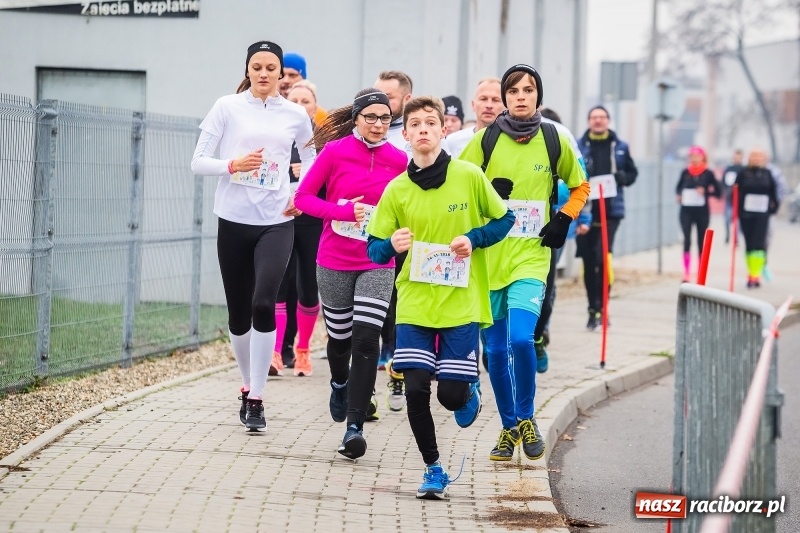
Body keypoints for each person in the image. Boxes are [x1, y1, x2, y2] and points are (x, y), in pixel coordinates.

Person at [366, 96, 515, 499]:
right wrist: (390, 245)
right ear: (407, 134)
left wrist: (474, 238)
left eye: (431, 122)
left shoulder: (467, 176)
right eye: (415, 124)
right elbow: (374, 248)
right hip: (414, 300)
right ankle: (434, 469)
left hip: (460, 301)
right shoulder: (397, 189)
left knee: (449, 397)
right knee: (415, 388)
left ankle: (469, 388)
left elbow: (505, 219)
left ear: (443, 130)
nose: (424, 130)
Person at [460, 64, 589, 462]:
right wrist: (483, 198)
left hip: (532, 256)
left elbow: (582, 185)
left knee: (520, 339)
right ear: (503, 96)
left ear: (538, 96)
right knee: (495, 352)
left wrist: (564, 218)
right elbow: (456, 182)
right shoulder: (485, 141)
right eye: (512, 90)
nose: (520, 95)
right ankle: (508, 426)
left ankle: (528, 418)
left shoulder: (554, 139)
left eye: (528, 89)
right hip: (488, 260)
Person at [190, 41, 315, 431]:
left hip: (277, 221)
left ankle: (258, 397)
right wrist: (233, 164)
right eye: (257, 67)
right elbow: (197, 162)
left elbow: (312, 161)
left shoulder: (295, 114)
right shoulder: (226, 106)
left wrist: (300, 194)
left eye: (271, 67)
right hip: (233, 221)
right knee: (239, 313)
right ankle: (246, 384)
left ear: (282, 74)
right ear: (248, 70)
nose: (264, 74)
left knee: (265, 303)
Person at [294, 89, 407, 459]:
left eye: (385, 118)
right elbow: (304, 199)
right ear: (356, 118)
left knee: (366, 340)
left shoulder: (398, 159)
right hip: (334, 258)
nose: (378, 124)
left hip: (378, 259)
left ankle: (354, 427)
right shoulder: (335, 152)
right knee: (340, 339)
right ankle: (339, 382)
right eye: (370, 117)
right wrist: (343, 212)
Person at [272, 81, 324, 377]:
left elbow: (333, 182)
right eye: (296, 99)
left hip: (312, 220)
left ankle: (303, 350)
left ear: (315, 108)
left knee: (307, 285)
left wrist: (309, 178)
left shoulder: (324, 141)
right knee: (279, 283)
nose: (302, 105)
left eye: (307, 100)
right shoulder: (277, 136)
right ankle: (276, 352)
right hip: (280, 217)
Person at [531, 107, 590, 372]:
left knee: (546, 280)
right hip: (512, 227)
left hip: (551, 223)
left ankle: (539, 334)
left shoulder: (562, 141)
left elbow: (579, 183)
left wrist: (554, 195)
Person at [577, 105, 638, 331]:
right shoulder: (579, 145)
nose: (598, 121)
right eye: (594, 117)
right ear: (588, 121)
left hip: (610, 212)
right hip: (584, 212)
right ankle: (591, 308)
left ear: (608, 121)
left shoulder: (620, 147)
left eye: (602, 117)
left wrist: (622, 177)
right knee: (588, 262)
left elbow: (633, 174)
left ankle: (604, 307)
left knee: (603, 259)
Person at [734, 148, 780, 288]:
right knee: (749, 245)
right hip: (746, 214)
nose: (756, 158)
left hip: (762, 215)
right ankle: (751, 272)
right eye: (754, 156)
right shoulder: (743, 173)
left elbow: (774, 193)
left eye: (759, 156)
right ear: (749, 158)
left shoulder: (767, 174)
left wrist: (772, 209)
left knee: (759, 245)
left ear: (764, 159)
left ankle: (755, 276)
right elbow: (735, 191)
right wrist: (737, 210)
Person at [675, 145, 721, 282]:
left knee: (702, 241)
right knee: (687, 240)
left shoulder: (708, 173)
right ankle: (687, 273)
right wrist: (679, 196)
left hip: (702, 212)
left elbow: (718, 192)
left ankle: (701, 271)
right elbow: (678, 188)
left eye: (697, 156)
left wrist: (705, 192)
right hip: (686, 211)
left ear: (703, 157)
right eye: (692, 156)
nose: (694, 159)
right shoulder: (685, 172)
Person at [446, 77, 504, 158]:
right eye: (483, 99)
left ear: (505, 106)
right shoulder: (453, 142)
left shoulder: (512, 142)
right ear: (473, 105)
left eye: (495, 100)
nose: (489, 105)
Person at [279, 52, 329, 127]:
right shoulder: (266, 109)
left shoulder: (321, 117)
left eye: (292, 75)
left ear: (303, 78)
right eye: (281, 75)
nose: (286, 80)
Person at [721, 149, 744, 244]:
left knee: (737, 222)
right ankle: (727, 234)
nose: (737, 159)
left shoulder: (744, 170)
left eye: (739, 157)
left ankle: (736, 239)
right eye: (735, 157)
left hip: (740, 200)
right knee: (727, 219)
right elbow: (723, 182)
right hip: (729, 198)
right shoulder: (728, 169)